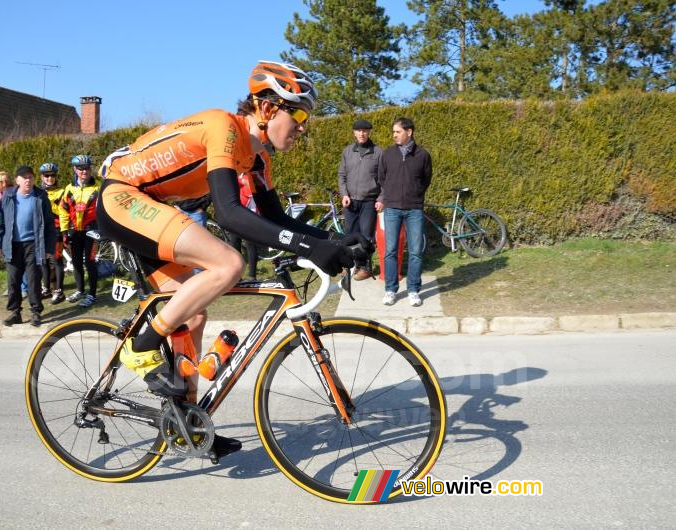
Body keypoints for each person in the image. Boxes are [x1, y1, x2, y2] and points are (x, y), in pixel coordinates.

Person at [96, 60, 365, 459]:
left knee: (193, 314)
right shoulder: (224, 128)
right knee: (227, 264)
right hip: (122, 198)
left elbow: (275, 218)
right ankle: (143, 344)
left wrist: (337, 240)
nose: (304, 126)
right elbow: (230, 214)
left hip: (148, 205)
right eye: (301, 113)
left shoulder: (258, 159)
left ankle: (186, 424)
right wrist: (309, 248)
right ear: (269, 108)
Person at [376, 117, 432, 307]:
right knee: (390, 251)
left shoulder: (423, 155)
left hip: (414, 208)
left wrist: (415, 194)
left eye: (397, 131)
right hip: (391, 208)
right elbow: (382, 178)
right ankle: (391, 290)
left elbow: (425, 180)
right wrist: (391, 194)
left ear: (409, 132)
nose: (394, 135)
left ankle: (414, 290)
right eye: (393, 132)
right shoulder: (388, 154)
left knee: (415, 252)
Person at [0, 166, 56, 326]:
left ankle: (35, 312)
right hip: (12, 245)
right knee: (13, 281)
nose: (28, 180)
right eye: (24, 177)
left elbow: (49, 224)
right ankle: (15, 313)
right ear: (17, 180)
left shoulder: (40, 197)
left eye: (30, 177)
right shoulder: (8, 196)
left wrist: (49, 248)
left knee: (34, 280)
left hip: (34, 245)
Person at [338, 119, 382, 281]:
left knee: (366, 236)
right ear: (354, 133)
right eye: (359, 131)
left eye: (365, 130)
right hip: (350, 202)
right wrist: (344, 194)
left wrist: (381, 198)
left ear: (369, 132)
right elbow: (342, 175)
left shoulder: (378, 152)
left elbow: (384, 179)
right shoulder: (348, 151)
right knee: (349, 235)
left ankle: (365, 267)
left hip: (369, 201)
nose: (362, 133)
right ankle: (350, 266)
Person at [59, 155, 100, 308]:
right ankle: (81, 290)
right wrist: (64, 231)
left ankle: (92, 295)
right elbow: (63, 211)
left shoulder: (98, 188)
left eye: (87, 168)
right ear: (75, 169)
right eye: (81, 168)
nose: (84, 171)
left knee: (90, 262)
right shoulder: (68, 189)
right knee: (76, 262)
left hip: (92, 231)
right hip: (75, 231)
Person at [39, 162, 66, 304]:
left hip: (57, 230)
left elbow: (64, 212)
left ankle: (59, 291)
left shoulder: (62, 192)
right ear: (42, 177)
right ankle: (46, 288)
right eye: (46, 176)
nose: (50, 178)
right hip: (41, 231)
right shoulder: (38, 192)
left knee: (57, 260)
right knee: (43, 260)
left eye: (52, 175)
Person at [227, 172, 261, 281]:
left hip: (248, 214)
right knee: (234, 245)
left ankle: (252, 275)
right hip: (234, 215)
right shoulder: (234, 174)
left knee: (250, 245)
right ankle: (238, 276)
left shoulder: (250, 175)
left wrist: (240, 181)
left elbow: (250, 188)